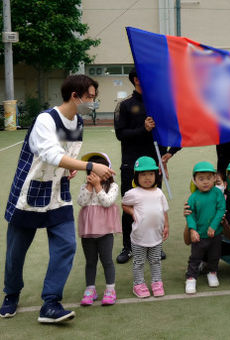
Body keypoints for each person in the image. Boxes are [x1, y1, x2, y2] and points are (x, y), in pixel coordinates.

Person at [0, 75, 114, 322]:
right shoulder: (46, 119)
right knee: (16, 252)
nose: (93, 102)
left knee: (66, 245)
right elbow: (51, 153)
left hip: (58, 194)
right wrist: (89, 166)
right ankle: (11, 294)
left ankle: (51, 303)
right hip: (29, 194)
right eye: (91, 97)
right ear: (75, 95)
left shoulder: (79, 122)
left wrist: (70, 168)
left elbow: (64, 155)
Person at [114, 68, 181, 264]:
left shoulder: (159, 104)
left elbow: (176, 129)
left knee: (154, 205)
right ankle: (128, 246)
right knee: (130, 204)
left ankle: (156, 244)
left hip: (155, 163)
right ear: (136, 80)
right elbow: (121, 134)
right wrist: (143, 129)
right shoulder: (125, 105)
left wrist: (170, 153)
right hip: (131, 164)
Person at [77, 152, 121, 306]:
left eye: (98, 170)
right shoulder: (85, 186)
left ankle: (110, 289)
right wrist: (90, 185)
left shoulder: (113, 186)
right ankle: (90, 289)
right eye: (91, 172)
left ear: (107, 171)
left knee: (107, 260)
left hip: (105, 231)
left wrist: (97, 186)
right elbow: (81, 202)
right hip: (88, 231)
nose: (94, 175)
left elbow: (107, 202)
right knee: (90, 261)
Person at [121, 156, 169, 298]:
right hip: (138, 237)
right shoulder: (132, 193)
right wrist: (132, 212)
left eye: (151, 174)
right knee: (139, 262)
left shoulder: (159, 193)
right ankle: (138, 284)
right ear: (136, 176)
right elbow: (124, 204)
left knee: (155, 261)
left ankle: (156, 282)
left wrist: (167, 226)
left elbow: (164, 211)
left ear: (155, 175)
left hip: (156, 236)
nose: (147, 177)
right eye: (143, 174)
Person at [185, 162, 226, 294]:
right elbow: (190, 216)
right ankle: (191, 278)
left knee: (215, 256)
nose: (205, 182)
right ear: (195, 180)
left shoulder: (217, 194)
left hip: (215, 234)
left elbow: (221, 210)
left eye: (209, 178)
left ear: (215, 178)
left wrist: (213, 226)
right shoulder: (193, 197)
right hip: (199, 236)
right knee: (195, 257)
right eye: (201, 179)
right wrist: (193, 230)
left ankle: (212, 273)